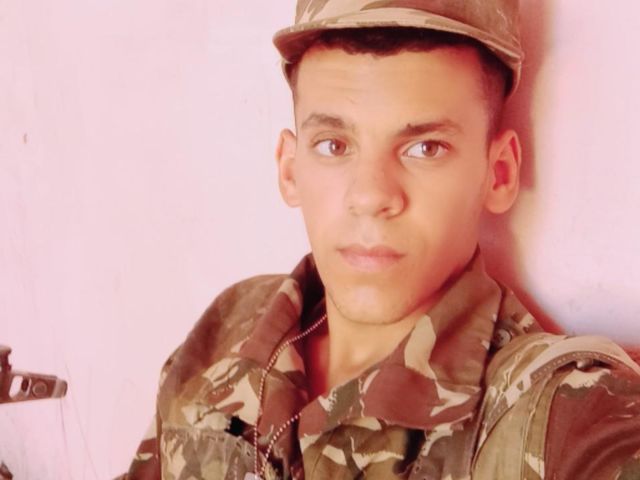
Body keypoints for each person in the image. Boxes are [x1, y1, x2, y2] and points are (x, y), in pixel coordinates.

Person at [120, 1, 640, 479]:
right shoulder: (228, 328)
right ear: (290, 169)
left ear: (498, 173)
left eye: (425, 148)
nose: (370, 196)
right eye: (333, 145)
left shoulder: (564, 409)